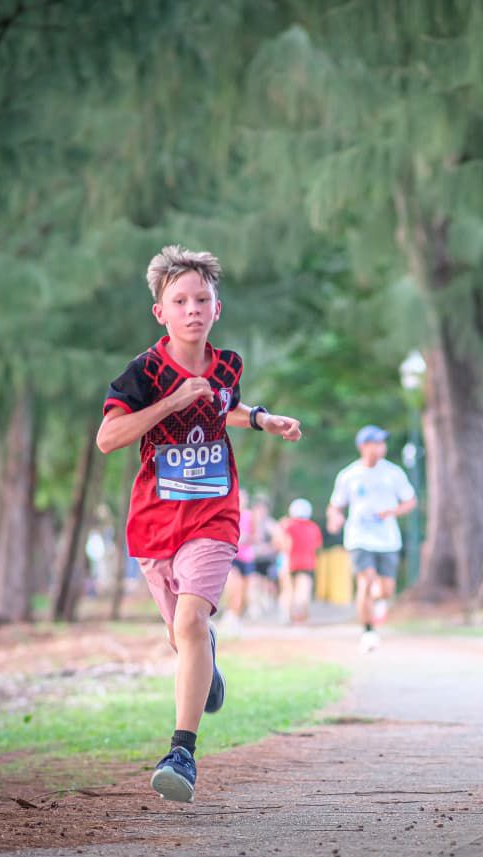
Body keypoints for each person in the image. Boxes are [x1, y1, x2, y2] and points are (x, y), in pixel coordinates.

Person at [96, 244, 302, 803]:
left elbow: (221, 405)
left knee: (188, 626)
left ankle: (181, 753)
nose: (193, 308)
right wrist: (169, 402)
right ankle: (203, 658)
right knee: (182, 636)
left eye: (202, 299)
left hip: (213, 515)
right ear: (160, 311)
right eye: (180, 300)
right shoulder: (143, 372)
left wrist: (260, 418)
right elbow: (109, 438)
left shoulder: (227, 363)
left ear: (217, 308)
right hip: (154, 526)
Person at [327, 425, 417, 652]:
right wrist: (335, 518)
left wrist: (392, 512)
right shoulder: (349, 475)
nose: (380, 448)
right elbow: (336, 506)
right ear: (363, 447)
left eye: (382, 443)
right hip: (359, 538)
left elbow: (410, 500)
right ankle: (368, 631)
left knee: (386, 589)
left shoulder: (393, 473)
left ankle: (378, 603)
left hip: (387, 539)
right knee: (365, 582)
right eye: (375, 443)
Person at [276, 498, 323, 624]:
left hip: (288, 562)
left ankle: (286, 615)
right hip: (306, 563)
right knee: (302, 593)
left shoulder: (286, 525)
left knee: (287, 591)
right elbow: (317, 546)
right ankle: (299, 618)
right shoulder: (314, 527)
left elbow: (280, 543)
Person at [219, 489, 257, 633]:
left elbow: (255, 535)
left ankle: (237, 615)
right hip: (231, 556)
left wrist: (247, 539)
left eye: (244, 498)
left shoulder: (249, 516)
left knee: (246, 592)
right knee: (235, 586)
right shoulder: (228, 514)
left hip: (246, 557)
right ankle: (231, 614)